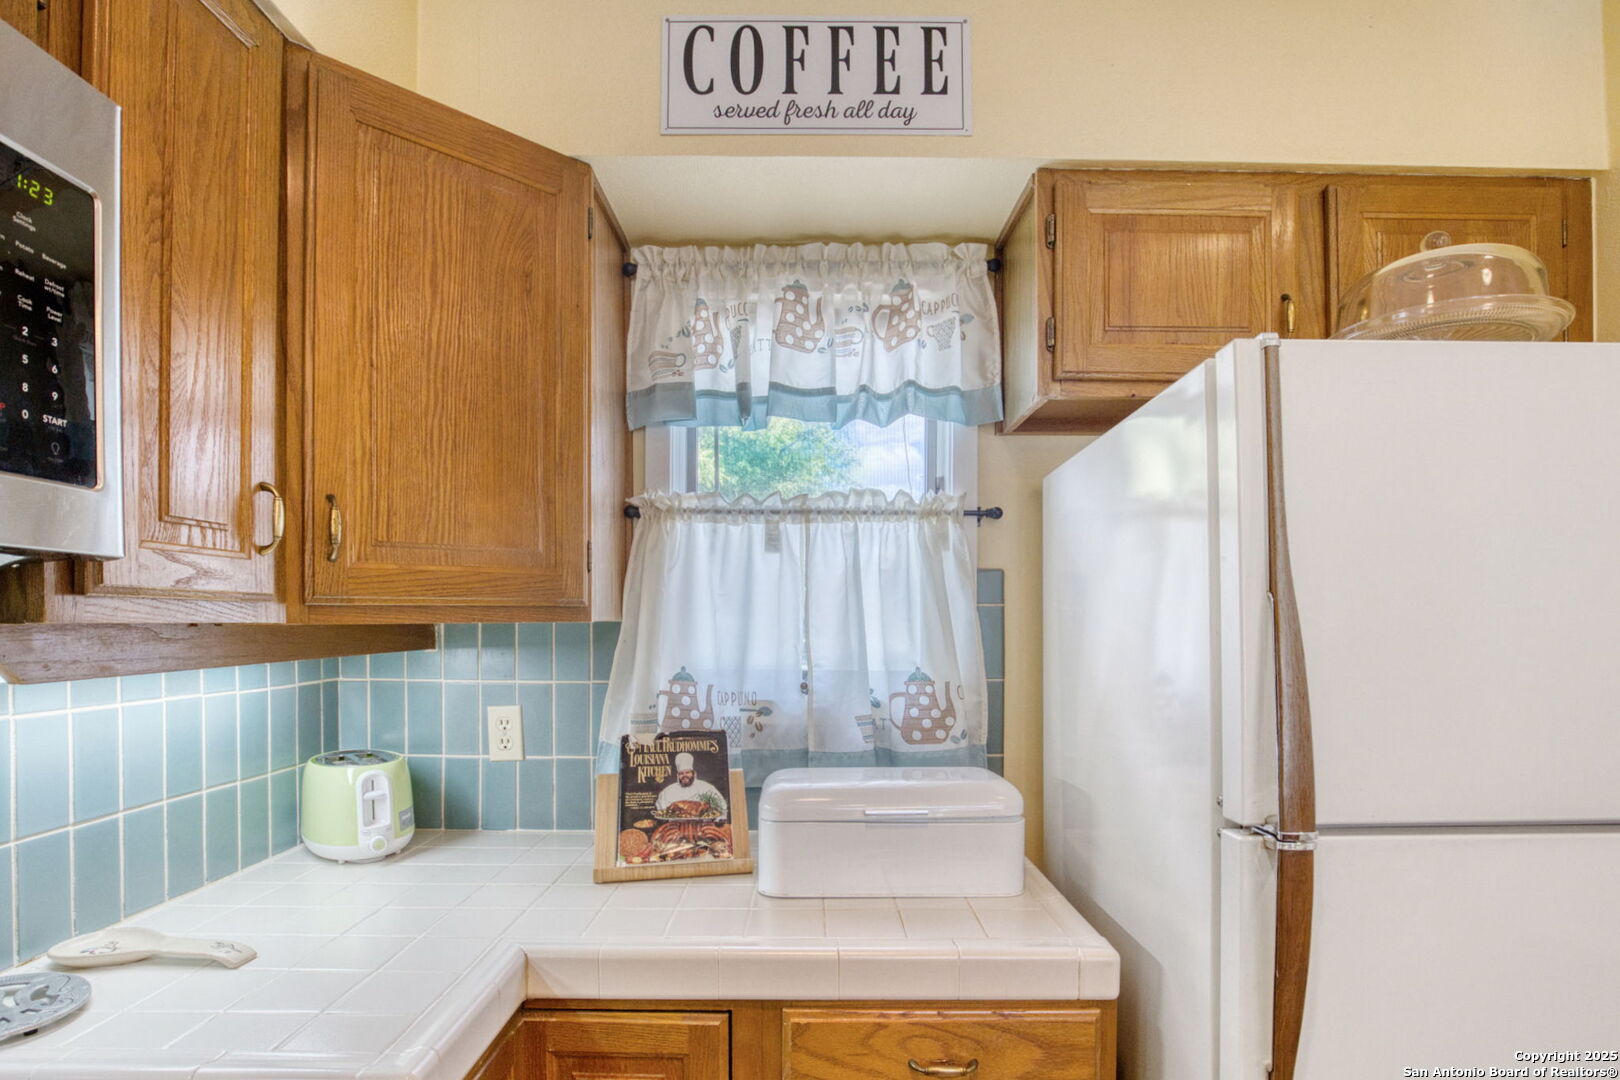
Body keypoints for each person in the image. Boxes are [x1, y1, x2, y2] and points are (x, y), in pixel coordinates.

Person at [655, 752, 727, 814]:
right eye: (681, 773)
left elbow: (721, 805)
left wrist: (719, 820)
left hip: (703, 826)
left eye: (687, 772)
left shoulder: (707, 788)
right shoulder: (667, 791)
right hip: (675, 826)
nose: (684, 776)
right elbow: (662, 811)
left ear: (694, 774)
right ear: (677, 775)